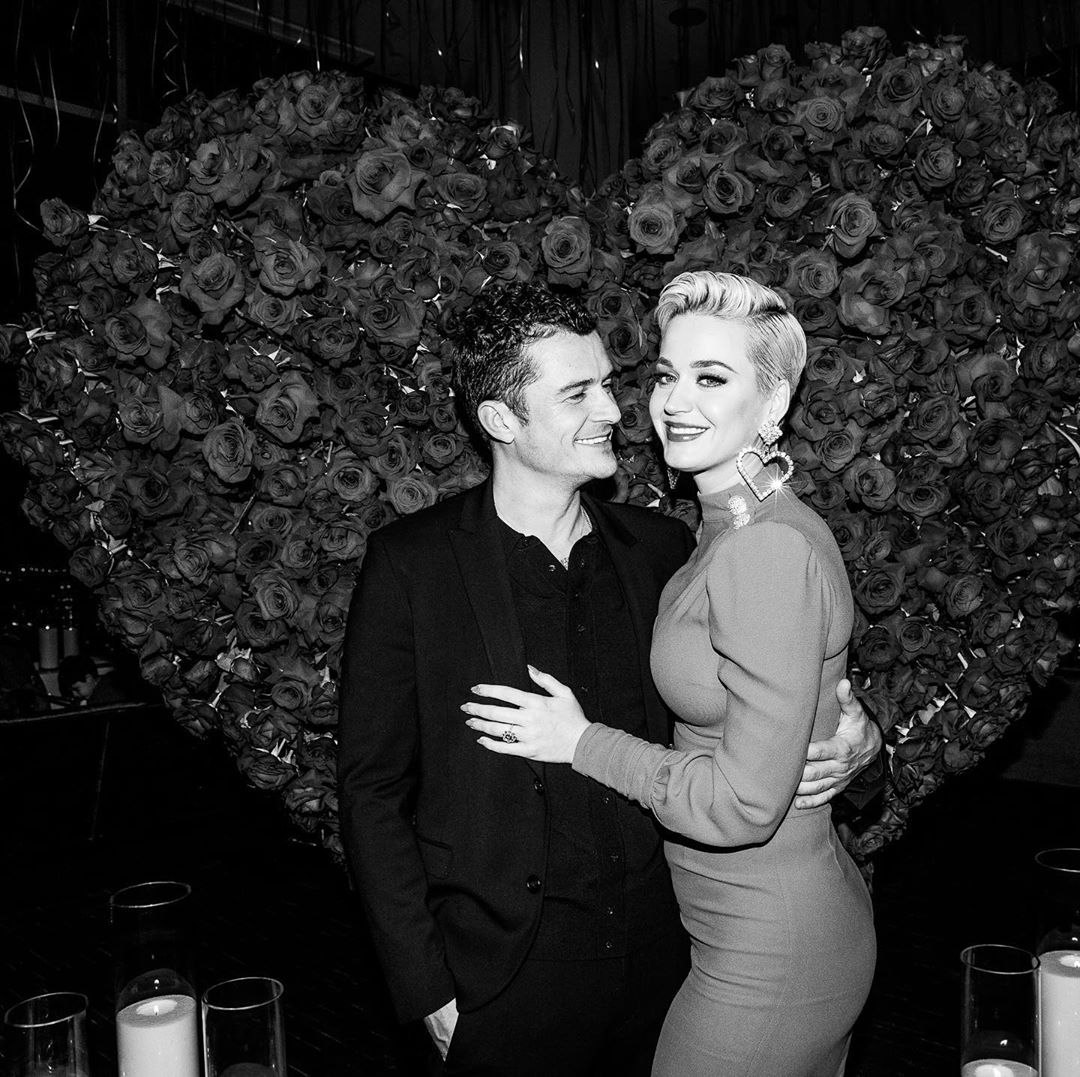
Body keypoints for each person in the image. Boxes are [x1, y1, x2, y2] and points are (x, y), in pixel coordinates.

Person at [337, 282, 882, 1076]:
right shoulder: (413, 567)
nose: (615, 410)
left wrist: (865, 750)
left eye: (608, 382)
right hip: (508, 980)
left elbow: (777, 697)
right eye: (577, 392)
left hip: (673, 960)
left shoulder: (663, 548)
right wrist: (426, 987)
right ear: (502, 420)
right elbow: (372, 789)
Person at [57, 654, 126, 707]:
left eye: (77, 689)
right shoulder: (102, 690)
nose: (74, 694)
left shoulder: (107, 696)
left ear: (89, 678)